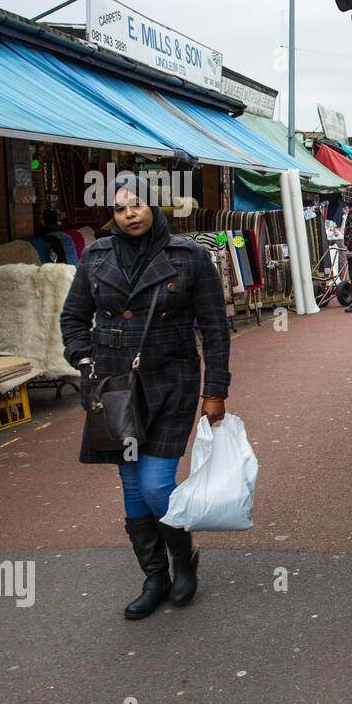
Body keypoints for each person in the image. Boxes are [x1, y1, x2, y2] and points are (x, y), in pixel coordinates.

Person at [60, 176, 231, 620]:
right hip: (114, 388)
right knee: (132, 484)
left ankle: (183, 558)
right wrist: (83, 361)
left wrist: (215, 390)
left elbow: (214, 329)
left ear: (154, 207)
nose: (129, 213)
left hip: (171, 382)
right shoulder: (96, 256)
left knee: (155, 482)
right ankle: (154, 576)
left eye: (136, 205)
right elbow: (73, 317)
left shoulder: (189, 257)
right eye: (119, 209)